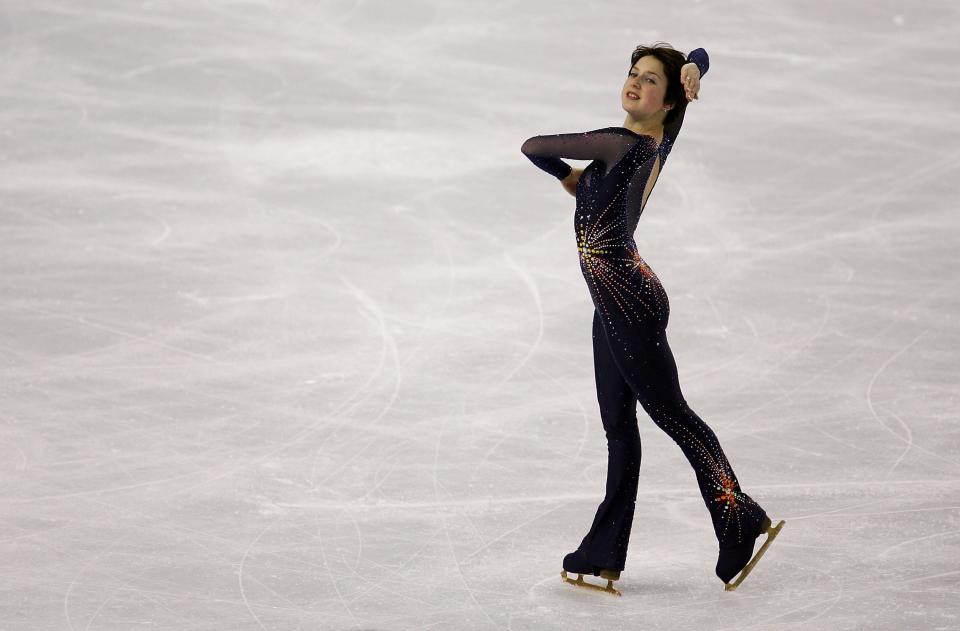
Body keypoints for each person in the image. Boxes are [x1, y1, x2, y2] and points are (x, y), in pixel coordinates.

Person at [520, 43, 784, 594]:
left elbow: (534, 146)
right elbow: (700, 55)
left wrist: (568, 174)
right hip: (614, 302)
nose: (636, 84)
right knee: (620, 427)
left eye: (651, 82)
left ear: (668, 102)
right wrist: (694, 65)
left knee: (674, 416)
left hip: (630, 304)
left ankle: (738, 518)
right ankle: (604, 551)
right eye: (633, 74)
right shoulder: (660, 138)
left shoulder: (619, 144)